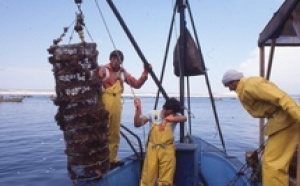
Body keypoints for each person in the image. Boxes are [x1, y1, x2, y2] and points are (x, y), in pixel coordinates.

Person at [222, 69, 300, 186]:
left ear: (233, 82)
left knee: (273, 164)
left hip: (285, 122)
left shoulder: (251, 85)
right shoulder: (246, 88)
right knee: (273, 163)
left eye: (228, 85)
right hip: (280, 123)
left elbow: (282, 97)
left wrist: (298, 116)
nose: (229, 89)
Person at [98, 50, 149, 169]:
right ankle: (100, 161)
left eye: (119, 58)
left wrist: (145, 72)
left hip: (117, 103)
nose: (116, 60)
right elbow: (93, 81)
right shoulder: (103, 70)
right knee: (102, 133)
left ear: (121, 61)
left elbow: (136, 84)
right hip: (104, 102)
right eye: (114, 58)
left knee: (114, 132)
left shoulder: (123, 73)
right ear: (110, 59)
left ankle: (112, 159)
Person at [134, 97, 187, 186]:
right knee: (148, 175)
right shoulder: (153, 114)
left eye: (173, 113)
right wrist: (138, 109)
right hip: (152, 148)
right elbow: (137, 124)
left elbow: (184, 118)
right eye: (169, 112)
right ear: (164, 108)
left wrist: (169, 119)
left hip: (167, 149)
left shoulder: (174, 116)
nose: (170, 114)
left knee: (166, 178)